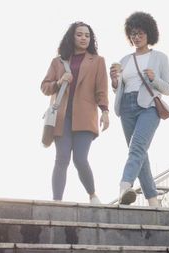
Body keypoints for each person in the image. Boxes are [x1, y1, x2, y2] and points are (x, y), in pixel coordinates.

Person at [41, 21, 109, 204]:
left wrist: (105, 111)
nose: (84, 38)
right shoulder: (58, 61)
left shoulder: (98, 61)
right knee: (61, 158)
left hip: (86, 117)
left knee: (80, 159)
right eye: (79, 34)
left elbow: (101, 90)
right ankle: (57, 202)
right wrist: (59, 81)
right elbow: (44, 87)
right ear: (72, 36)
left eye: (87, 35)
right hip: (61, 117)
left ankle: (92, 195)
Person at [110, 11, 169, 206]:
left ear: (149, 34)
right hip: (126, 107)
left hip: (148, 107)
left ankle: (124, 186)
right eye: (133, 34)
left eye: (140, 33)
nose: (136, 37)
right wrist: (114, 81)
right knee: (140, 152)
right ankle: (153, 200)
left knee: (136, 148)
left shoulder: (160, 57)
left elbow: (168, 89)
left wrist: (155, 78)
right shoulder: (125, 60)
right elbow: (120, 88)